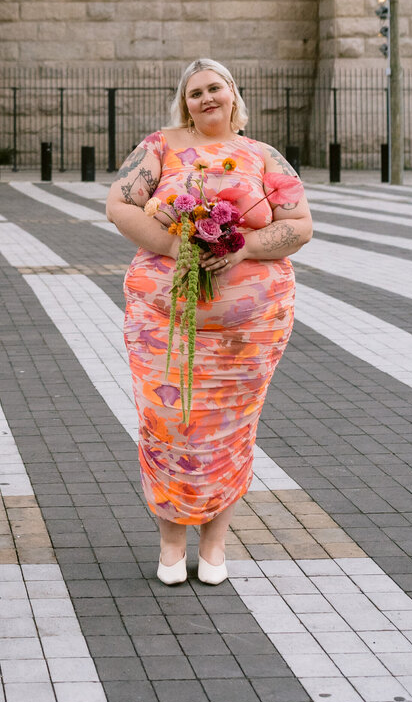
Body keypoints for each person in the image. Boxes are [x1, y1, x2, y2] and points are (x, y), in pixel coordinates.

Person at [105, 58, 312, 588]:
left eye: (214, 87)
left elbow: (299, 225)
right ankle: (172, 543)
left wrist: (241, 247)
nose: (205, 98)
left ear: (232, 93)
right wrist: (181, 247)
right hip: (164, 324)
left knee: (231, 430)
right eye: (194, 92)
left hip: (251, 330)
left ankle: (215, 543)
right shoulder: (160, 146)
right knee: (168, 426)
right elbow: (119, 207)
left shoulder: (263, 155)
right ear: (185, 102)